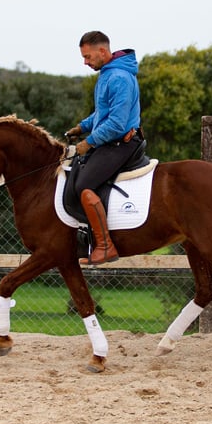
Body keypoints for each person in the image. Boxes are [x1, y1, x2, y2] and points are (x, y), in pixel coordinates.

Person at [66, 31, 142, 266]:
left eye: (88, 57)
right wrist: (82, 127)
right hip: (111, 140)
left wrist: (88, 142)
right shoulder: (108, 75)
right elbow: (103, 114)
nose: (85, 62)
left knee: (83, 184)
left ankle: (105, 246)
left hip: (121, 143)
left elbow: (117, 124)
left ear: (102, 51)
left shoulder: (118, 78)